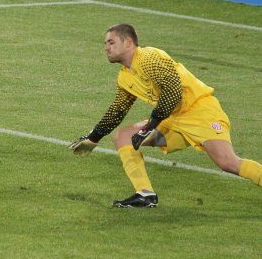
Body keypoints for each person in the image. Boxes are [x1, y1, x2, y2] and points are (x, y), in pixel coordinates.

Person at [69, 23, 262, 208]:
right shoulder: (125, 76)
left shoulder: (149, 58)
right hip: (172, 118)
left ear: (128, 42)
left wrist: (150, 125)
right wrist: (94, 138)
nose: (106, 48)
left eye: (111, 43)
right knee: (123, 137)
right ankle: (145, 195)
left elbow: (173, 89)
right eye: (105, 44)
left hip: (200, 112)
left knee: (227, 162)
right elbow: (118, 110)